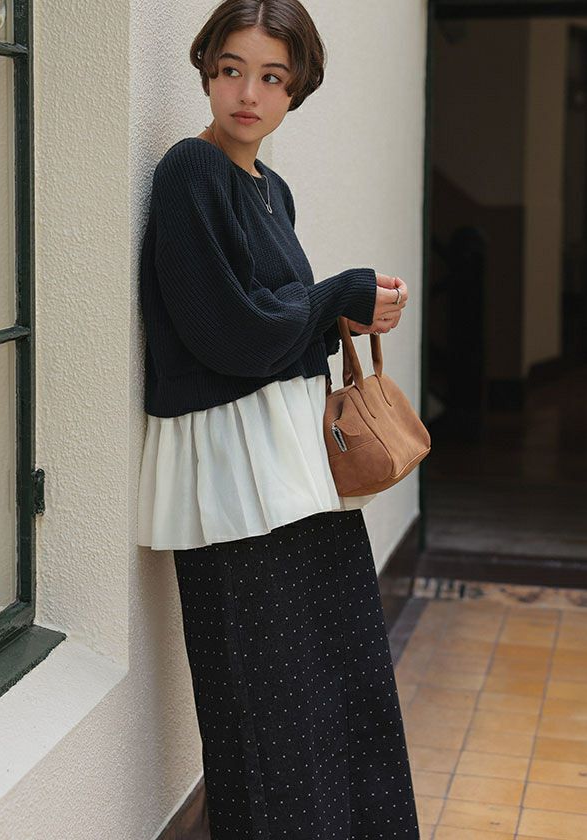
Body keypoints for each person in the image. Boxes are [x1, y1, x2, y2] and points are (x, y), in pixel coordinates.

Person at [137, 1, 420, 837]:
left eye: (272, 77)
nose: (248, 94)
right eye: (232, 70)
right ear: (207, 69)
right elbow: (225, 333)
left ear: (297, 90)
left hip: (296, 465)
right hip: (232, 474)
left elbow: (277, 324)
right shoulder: (190, 171)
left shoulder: (273, 188)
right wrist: (334, 297)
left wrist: (340, 311)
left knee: (339, 681)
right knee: (267, 709)